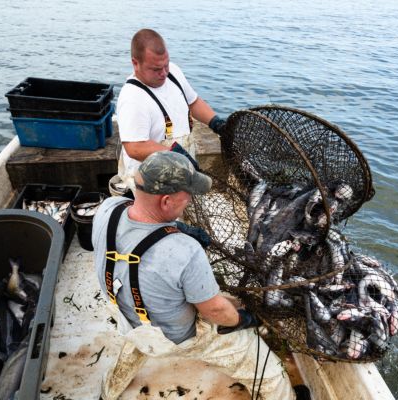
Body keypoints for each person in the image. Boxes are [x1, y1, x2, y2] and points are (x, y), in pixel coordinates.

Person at [92, 151, 296, 399]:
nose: (190, 200)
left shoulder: (107, 209)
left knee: (136, 344)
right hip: (175, 337)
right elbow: (215, 312)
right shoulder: (185, 251)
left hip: (128, 317)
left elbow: (139, 223)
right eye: (186, 195)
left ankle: (108, 391)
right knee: (268, 370)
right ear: (166, 201)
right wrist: (244, 320)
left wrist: (177, 226)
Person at [113, 28, 227, 193]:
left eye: (165, 65)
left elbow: (193, 102)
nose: (164, 73)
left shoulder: (173, 72)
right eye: (156, 69)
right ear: (135, 63)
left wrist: (216, 123)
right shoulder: (132, 97)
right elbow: (134, 147)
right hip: (150, 183)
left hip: (181, 169)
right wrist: (174, 155)